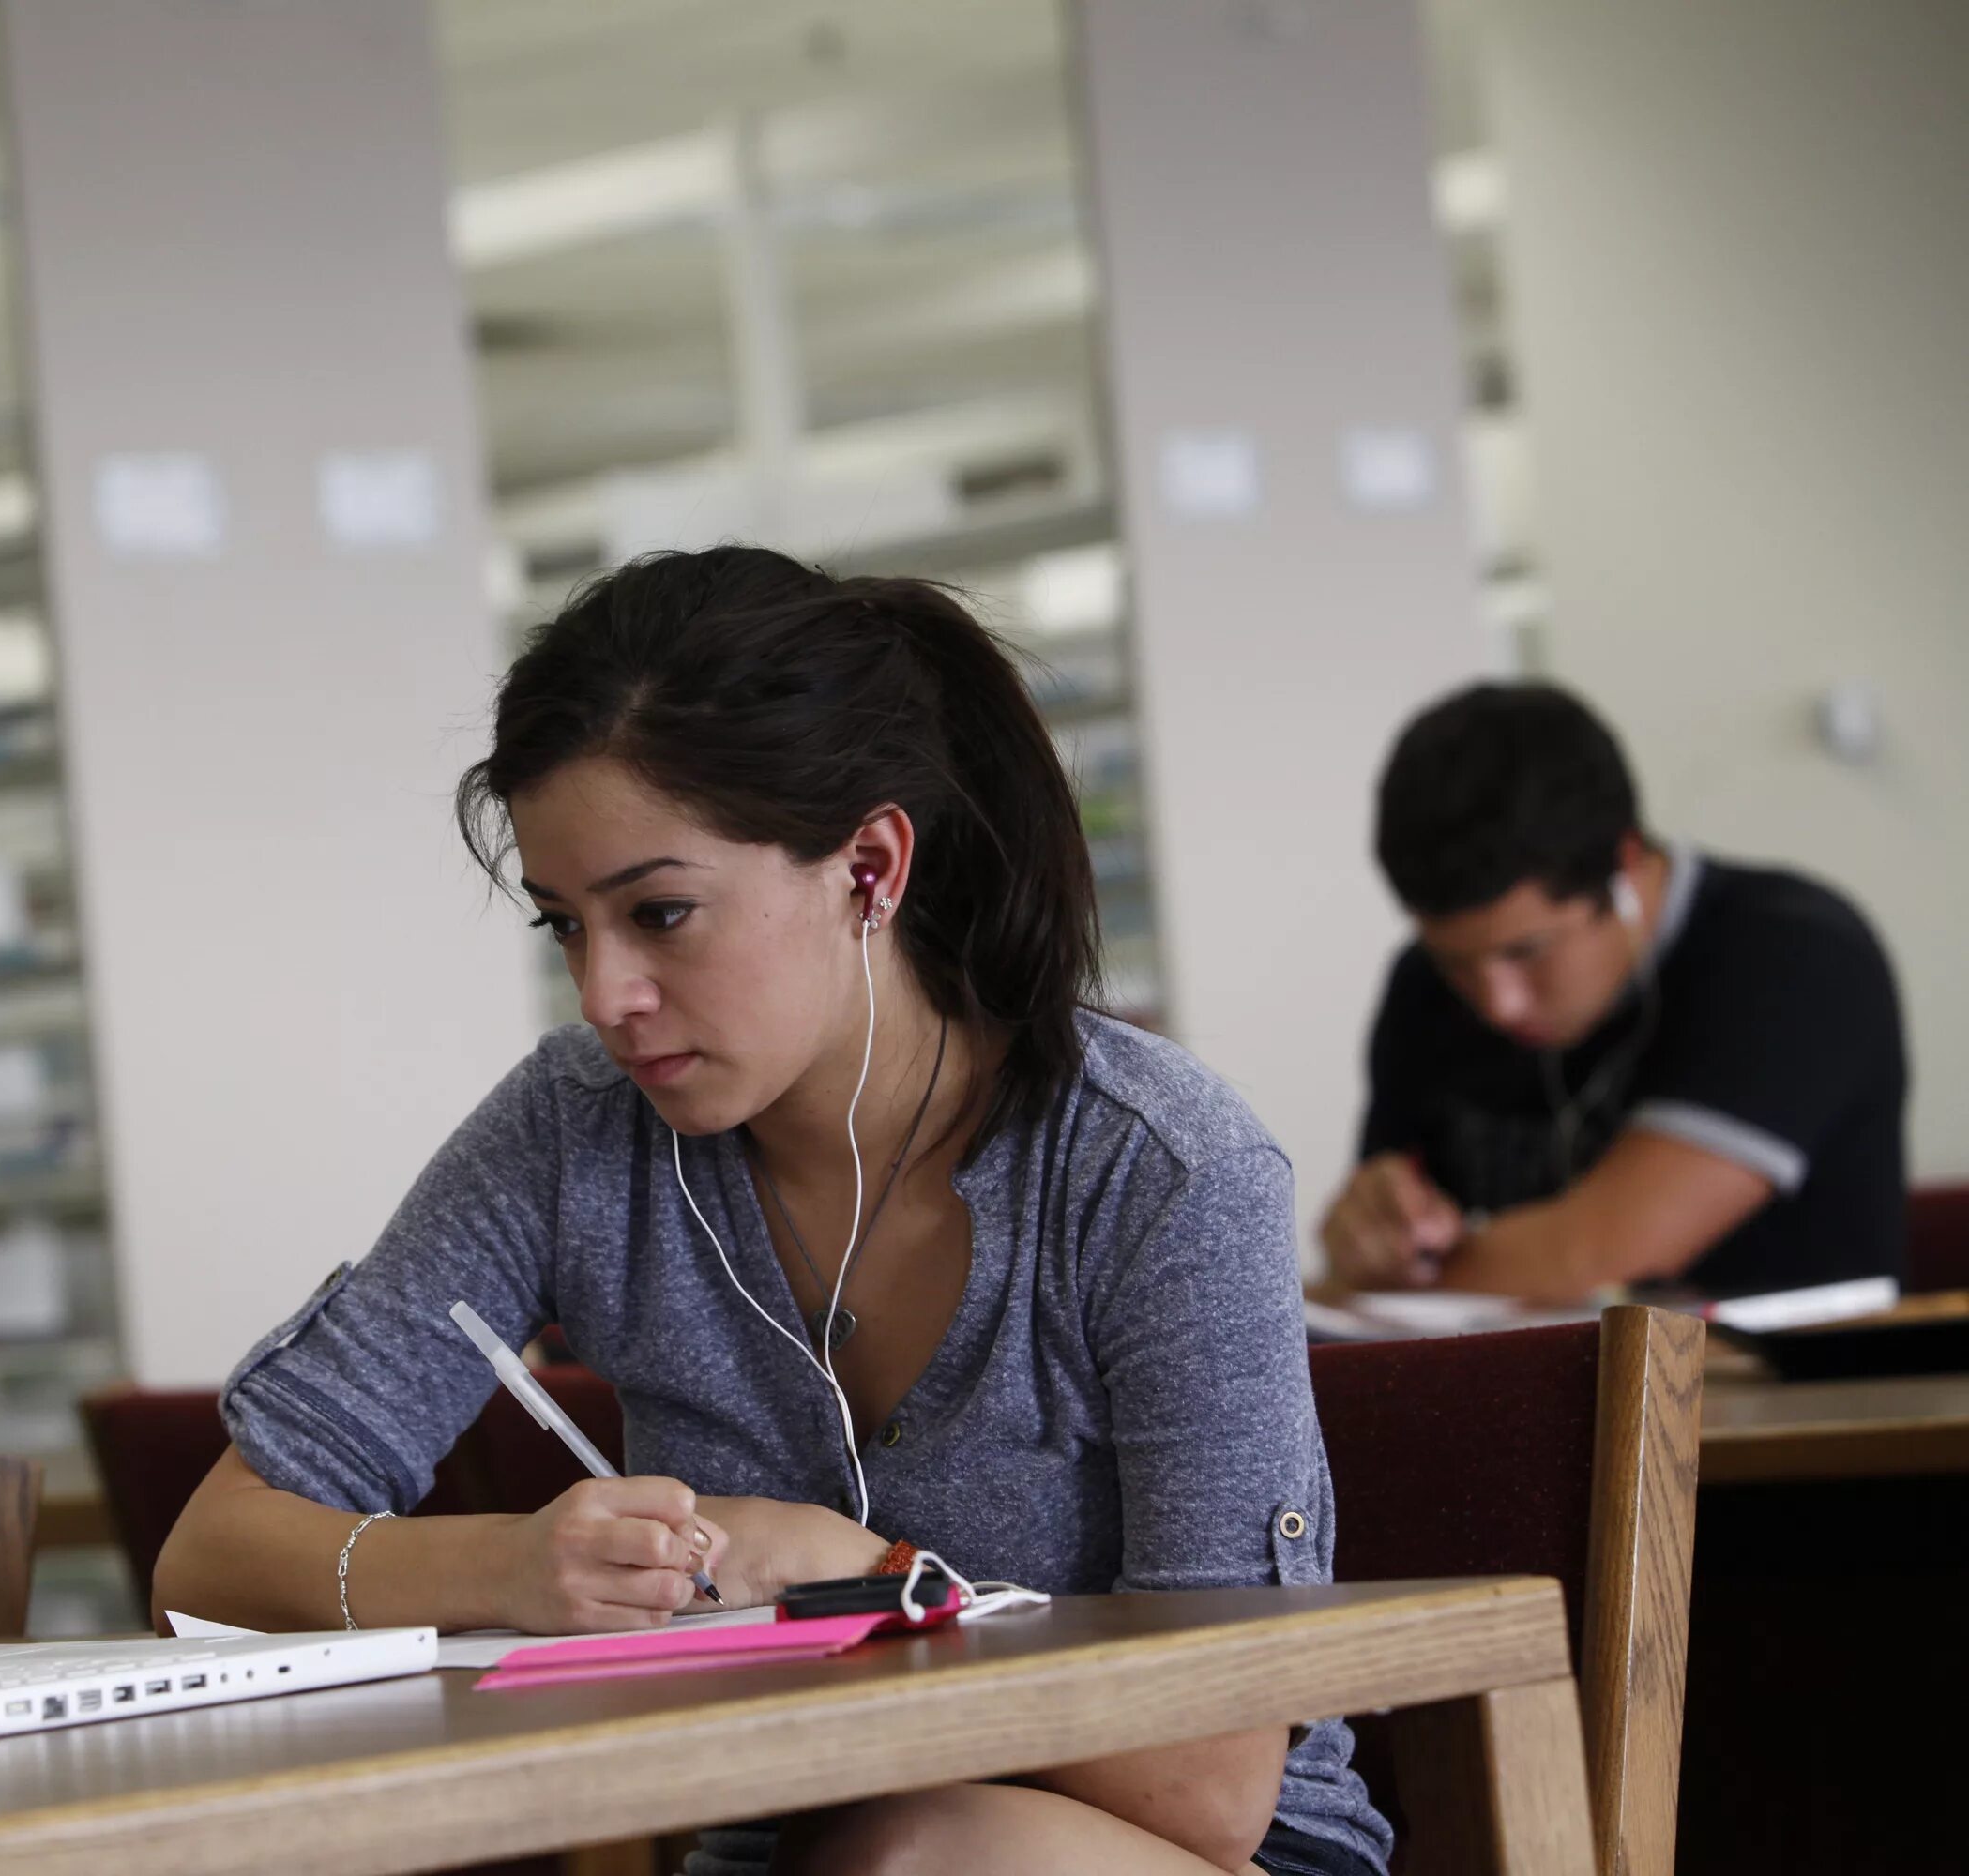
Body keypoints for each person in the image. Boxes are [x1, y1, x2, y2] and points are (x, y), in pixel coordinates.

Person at [152, 547, 1387, 1876]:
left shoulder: (1158, 1172)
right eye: (564, 927)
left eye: (662, 913)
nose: (605, 994)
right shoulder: (575, 1131)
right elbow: (213, 1559)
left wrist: (867, 1583)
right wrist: (511, 1572)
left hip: (1189, 1856)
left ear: (869, 867)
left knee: (917, 1858)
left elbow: (1203, 1786)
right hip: (791, 1856)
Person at [1323, 682, 1906, 1303]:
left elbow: (1596, 1256)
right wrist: (1366, 1233)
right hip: (1522, 1391)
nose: (1498, 1003)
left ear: (1624, 865)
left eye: (1527, 951)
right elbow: (1375, 1244)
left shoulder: (1797, 954)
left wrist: (1399, 1281)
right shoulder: (1420, 983)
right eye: (1454, 961)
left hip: (1811, 1397)